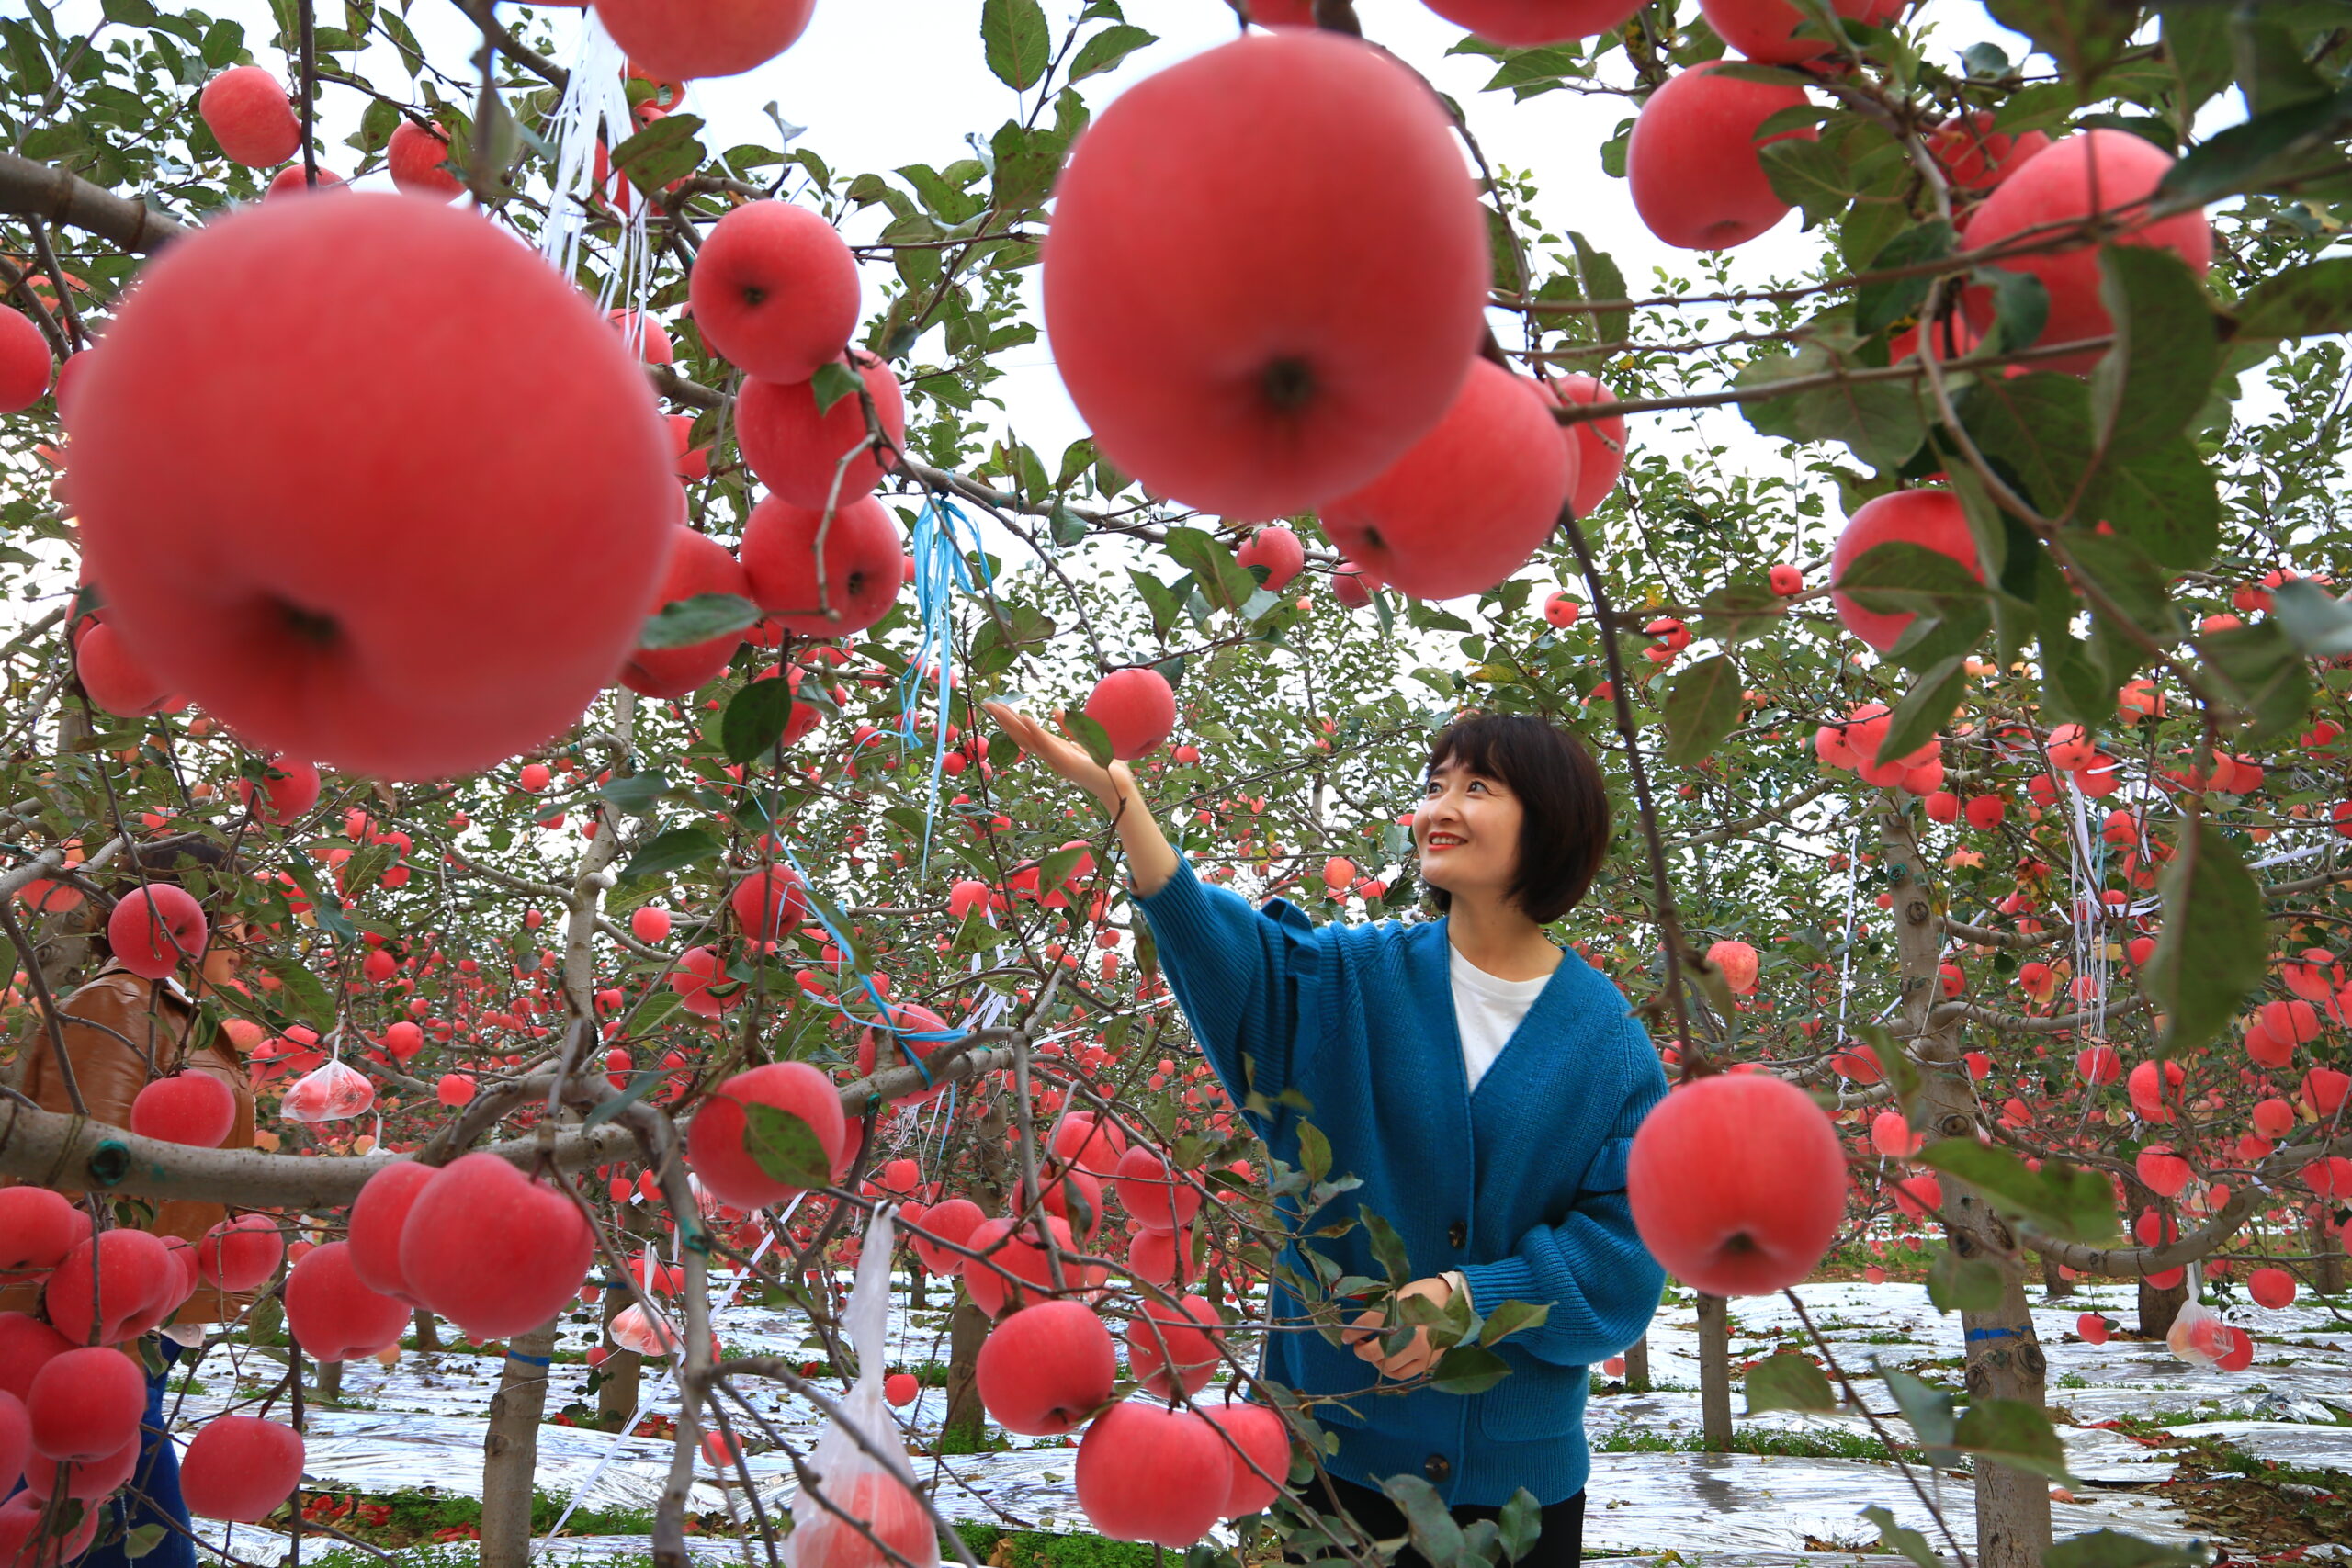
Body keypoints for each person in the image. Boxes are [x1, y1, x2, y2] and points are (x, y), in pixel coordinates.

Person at [985, 704, 1668, 1568]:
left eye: (1478, 786)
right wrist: (1127, 808)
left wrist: (1471, 1299)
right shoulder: (1353, 979)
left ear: (1552, 822)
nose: (1439, 808)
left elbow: (1623, 1254)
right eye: (1435, 785)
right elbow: (1234, 965)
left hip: (1514, 1495)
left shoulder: (1608, 1044)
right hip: (1339, 1463)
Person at [3, 838, 261, 1568]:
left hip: (138, 1311)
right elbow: (88, 1177)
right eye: (236, 919)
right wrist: (97, 1323)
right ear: (183, 918)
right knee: (120, 1538)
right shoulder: (117, 1004)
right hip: (93, 1326)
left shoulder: (175, 1016)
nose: (247, 941)